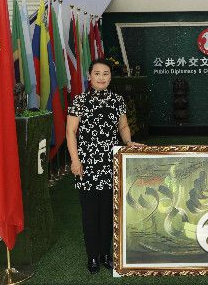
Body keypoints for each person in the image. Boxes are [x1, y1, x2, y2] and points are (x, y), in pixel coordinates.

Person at [67, 58, 144, 274]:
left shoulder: (118, 100)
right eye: (97, 73)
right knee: (90, 213)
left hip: (111, 162)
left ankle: (105, 254)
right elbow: (71, 132)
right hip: (87, 164)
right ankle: (92, 256)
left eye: (106, 73)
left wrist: (128, 142)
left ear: (111, 77)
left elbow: (123, 126)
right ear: (89, 76)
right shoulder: (79, 100)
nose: (101, 77)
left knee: (109, 212)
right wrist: (75, 160)